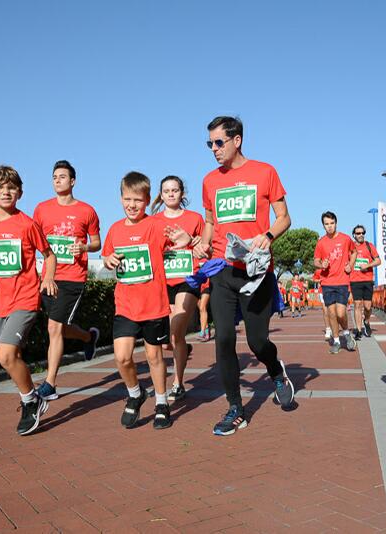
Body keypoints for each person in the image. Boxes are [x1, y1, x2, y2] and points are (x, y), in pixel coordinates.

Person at [193, 115, 295, 436]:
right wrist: (204, 243)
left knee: (257, 341)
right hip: (223, 270)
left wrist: (268, 235)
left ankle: (276, 370)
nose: (214, 148)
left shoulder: (265, 172)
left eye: (219, 142)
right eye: (209, 143)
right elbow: (210, 221)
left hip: (256, 271)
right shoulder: (209, 180)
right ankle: (236, 408)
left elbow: (284, 218)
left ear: (237, 141)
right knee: (223, 339)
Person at [0, 165, 57, 435]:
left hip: (25, 298)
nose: (6, 192)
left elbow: (50, 255)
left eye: (11, 187)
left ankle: (30, 401)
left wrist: (48, 278)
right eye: (0, 188)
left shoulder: (27, 224)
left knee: (5, 353)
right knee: (9, 357)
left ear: (19, 192)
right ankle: (33, 398)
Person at [102, 171, 191, 430]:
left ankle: (161, 403)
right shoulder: (115, 229)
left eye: (138, 200)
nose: (132, 205)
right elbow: (108, 256)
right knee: (122, 357)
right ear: (120, 199)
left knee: (154, 356)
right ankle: (135, 393)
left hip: (153, 304)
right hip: (126, 304)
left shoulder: (155, 225)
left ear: (148, 200)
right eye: (127, 199)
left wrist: (185, 240)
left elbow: (182, 238)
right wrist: (108, 260)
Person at [32, 160, 101, 401]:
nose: (58, 180)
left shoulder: (87, 210)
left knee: (54, 328)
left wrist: (84, 246)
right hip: (48, 277)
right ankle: (88, 337)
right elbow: (35, 243)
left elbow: (96, 243)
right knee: (57, 327)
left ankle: (50, 384)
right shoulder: (41, 209)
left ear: (72, 181)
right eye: (54, 177)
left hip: (73, 277)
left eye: (62, 176)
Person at [151, 175, 205, 402]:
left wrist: (191, 241)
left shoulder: (195, 218)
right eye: (166, 191)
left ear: (182, 194)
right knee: (168, 341)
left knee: (174, 333)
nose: (171, 194)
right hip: (162, 283)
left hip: (187, 280)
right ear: (161, 195)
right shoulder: (153, 222)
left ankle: (177, 383)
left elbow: (205, 248)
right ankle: (182, 348)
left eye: (175, 190)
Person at [314, 211, 357, 354]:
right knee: (331, 314)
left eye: (332, 223)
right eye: (326, 224)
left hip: (342, 281)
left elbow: (354, 252)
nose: (330, 226)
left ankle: (346, 333)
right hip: (327, 282)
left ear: (336, 223)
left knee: (340, 313)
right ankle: (337, 341)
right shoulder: (321, 242)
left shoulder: (345, 239)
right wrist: (322, 265)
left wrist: (350, 264)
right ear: (323, 226)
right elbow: (315, 261)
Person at [350, 224, 381, 339]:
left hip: (367, 280)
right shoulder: (350, 247)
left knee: (368, 307)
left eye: (362, 233)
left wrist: (367, 265)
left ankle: (366, 321)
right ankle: (358, 330)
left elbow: (378, 261)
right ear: (354, 235)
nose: (361, 235)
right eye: (358, 233)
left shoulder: (369, 246)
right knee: (357, 305)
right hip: (355, 280)